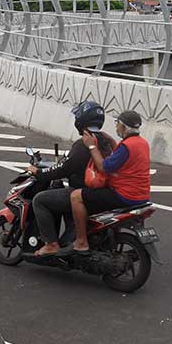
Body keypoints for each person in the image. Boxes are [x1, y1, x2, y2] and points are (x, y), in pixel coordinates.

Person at [28, 100, 113, 257]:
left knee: (40, 200)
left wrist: (38, 173)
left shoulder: (83, 144)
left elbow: (64, 169)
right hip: (102, 192)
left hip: (83, 192)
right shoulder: (106, 141)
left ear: (81, 120)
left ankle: (51, 244)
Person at [69, 110, 151, 253]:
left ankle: (81, 241)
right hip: (141, 196)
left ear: (123, 127)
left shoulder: (126, 146)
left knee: (76, 196)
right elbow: (124, 159)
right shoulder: (142, 143)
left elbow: (103, 167)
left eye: (117, 123)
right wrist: (113, 142)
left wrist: (91, 146)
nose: (116, 127)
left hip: (124, 195)